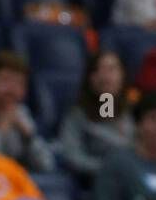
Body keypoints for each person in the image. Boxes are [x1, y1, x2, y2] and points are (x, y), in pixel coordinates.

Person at [59, 51, 141, 186]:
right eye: (99, 70)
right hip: (101, 182)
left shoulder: (135, 111)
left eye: (112, 69)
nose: (106, 76)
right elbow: (72, 157)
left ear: (122, 76)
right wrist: (109, 168)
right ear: (90, 77)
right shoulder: (78, 115)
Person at [0, 51, 54, 174]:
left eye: (19, 83)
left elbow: (46, 165)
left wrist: (29, 138)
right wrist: (1, 130)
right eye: (5, 80)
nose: (12, 89)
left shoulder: (20, 113)